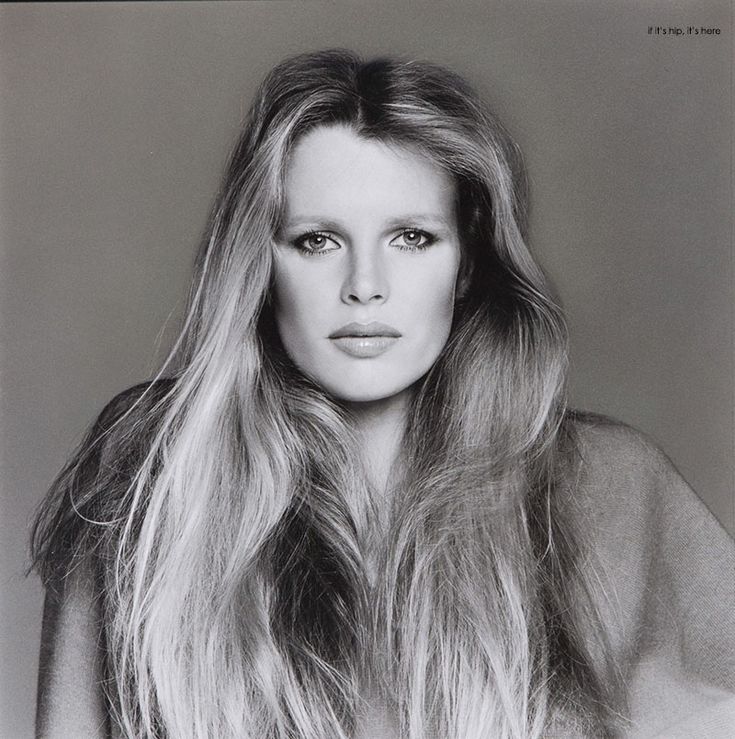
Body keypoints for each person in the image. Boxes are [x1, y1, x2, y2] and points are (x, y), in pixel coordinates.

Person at [31, 49, 734, 739]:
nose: (363, 284)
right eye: (315, 241)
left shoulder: (606, 484)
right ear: (260, 265)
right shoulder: (157, 471)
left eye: (410, 237)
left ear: (466, 263)